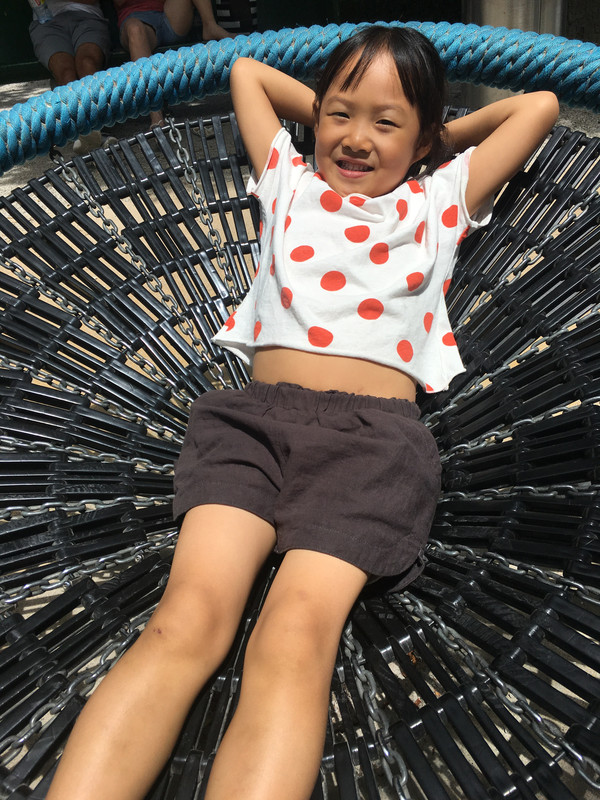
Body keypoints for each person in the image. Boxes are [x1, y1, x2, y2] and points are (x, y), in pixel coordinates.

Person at [45, 25, 559, 800]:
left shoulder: (437, 199)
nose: (356, 139)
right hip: (252, 428)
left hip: (370, 447)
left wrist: (434, 140)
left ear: (422, 140)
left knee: (293, 638)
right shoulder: (289, 178)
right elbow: (249, 73)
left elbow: (538, 106)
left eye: (385, 124)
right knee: (185, 621)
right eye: (339, 115)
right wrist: (348, 117)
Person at [114, 0, 232, 126]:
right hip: (137, 21)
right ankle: (156, 115)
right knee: (135, 29)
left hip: (168, 14)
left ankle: (210, 25)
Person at [28, 0, 115, 153]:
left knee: (87, 63)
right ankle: (85, 132)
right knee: (65, 72)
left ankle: (93, 130)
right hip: (47, 22)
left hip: (87, 17)